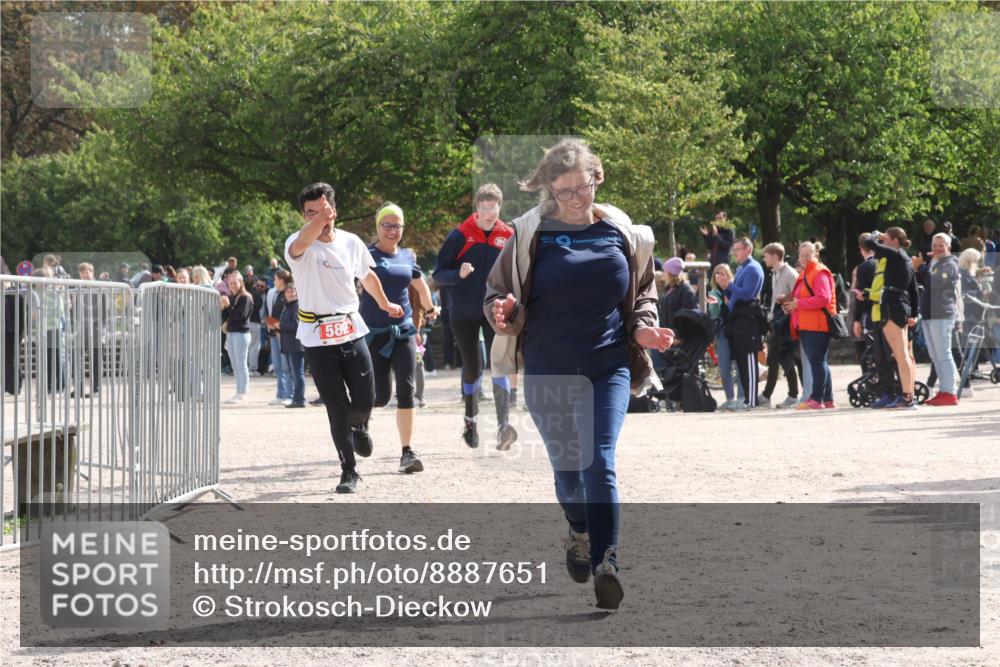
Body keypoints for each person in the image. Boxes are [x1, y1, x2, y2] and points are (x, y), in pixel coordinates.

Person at [485, 139, 675, 610]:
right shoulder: (529, 233)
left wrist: (645, 327)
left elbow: (643, 291)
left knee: (600, 461)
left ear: (598, 177)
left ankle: (606, 561)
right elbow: (496, 293)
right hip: (548, 368)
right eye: (563, 190)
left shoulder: (622, 231)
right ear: (549, 187)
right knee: (568, 475)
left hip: (606, 363)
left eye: (582, 187)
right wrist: (501, 312)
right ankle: (579, 528)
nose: (574, 198)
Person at [284, 182, 403, 494]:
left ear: (334, 210)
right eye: (310, 213)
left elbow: (367, 275)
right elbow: (302, 241)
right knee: (336, 406)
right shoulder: (299, 244)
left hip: (350, 329)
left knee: (369, 399)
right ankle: (348, 470)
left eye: (322, 211)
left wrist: (384, 302)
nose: (316, 218)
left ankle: (360, 423)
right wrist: (317, 221)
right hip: (316, 336)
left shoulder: (351, 243)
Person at [433, 183, 517, 450]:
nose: (490, 213)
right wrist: (458, 274)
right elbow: (438, 274)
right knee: (473, 367)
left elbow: (518, 272)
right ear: (477, 208)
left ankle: (504, 427)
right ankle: (471, 419)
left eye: (494, 208)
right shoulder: (460, 235)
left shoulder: (508, 235)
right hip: (464, 312)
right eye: (484, 208)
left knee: (500, 364)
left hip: (495, 310)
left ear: (499, 207)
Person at [361, 202, 438, 475]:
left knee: (407, 391)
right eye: (387, 225)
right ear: (378, 227)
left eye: (398, 226)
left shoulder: (407, 256)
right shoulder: (366, 254)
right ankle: (359, 425)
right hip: (374, 335)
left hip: (404, 331)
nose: (393, 230)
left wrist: (429, 310)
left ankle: (407, 452)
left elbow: (419, 285)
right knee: (379, 396)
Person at [862, 228, 919, 409]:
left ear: (894, 241)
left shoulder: (895, 255)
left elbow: (869, 244)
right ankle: (909, 396)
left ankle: (908, 397)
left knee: (901, 355)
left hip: (893, 306)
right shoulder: (906, 259)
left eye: (886, 239)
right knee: (904, 355)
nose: (883, 242)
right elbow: (914, 290)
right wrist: (914, 314)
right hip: (900, 306)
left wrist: (875, 234)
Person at [784, 242, 836, 410]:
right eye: (802, 255)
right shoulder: (805, 273)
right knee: (820, 362)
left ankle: (817, 398)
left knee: (817, 362)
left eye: (808, 254)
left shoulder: (819, 272)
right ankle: (827, 399)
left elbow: (824, 298)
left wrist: (798, 304)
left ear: (816, 254)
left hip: (818, 324)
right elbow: (802, 297)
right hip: (808, 324)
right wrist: (790, 302)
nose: (805, 258)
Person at [919, 233, 963, 406]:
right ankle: (943, 390)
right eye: (935, 245)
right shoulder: (935, 263)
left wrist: (922, 267)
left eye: (941, 245)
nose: (937, 248)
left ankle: (950, 391)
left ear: (948, 247)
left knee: (944, 354)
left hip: (942, 314)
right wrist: (927, 266)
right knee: (935, 354)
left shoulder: (950, 263)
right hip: (929, 314)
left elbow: (936, 281)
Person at [722, 237, 766, 408]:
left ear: (748, 249)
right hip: (738, 319)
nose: (735, 253)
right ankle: (748, 398)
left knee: (748, 361)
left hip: (748, 319)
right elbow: (735, 294)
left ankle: (752, 400)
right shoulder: (742, 268)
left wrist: (730, 285)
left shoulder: (753, 268)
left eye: (738, 249)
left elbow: (747, 294)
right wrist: (725, 286)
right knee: (741, 362)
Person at [759, 243, 800, 408]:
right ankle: (772, 395)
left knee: (783, 358)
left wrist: (785, 298)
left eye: (766, 256)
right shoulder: (774, 273)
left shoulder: (790, 273)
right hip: (777, 321)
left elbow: (799, 294)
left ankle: (790, 395)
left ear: (775, 257)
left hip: (786, 322)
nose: (764, 259)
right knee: (776, 359)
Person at [706, 264, 744, 409]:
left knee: (740, 365)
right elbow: (714, 314)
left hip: (737, 330)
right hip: (723, 332)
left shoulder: (734, 289)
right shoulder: (714, 293)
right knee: (724, 365)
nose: (719, 276)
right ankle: (730, 398)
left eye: (723, 273)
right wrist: (716, 304)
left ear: (729, 275)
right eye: (717, 273)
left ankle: (741, 397)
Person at [220, 269, 253, 404]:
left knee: (241, 364)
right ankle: (239, 391)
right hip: (232, 333)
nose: (233, 285)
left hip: (241, 334)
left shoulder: (245, 297)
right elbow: (226, 317)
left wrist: (228, 306)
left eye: (235, 283)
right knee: (235, 365)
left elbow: (240, 317)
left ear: (241, 283)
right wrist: (223, 307)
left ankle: (243, 392)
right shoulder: (232, 297)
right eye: (230, 283)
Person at [263, 270, 293, 405]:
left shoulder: (288, 293)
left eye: (275, 279)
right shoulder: (274, 293)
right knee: (278, 366)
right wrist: (269, 322)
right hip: (274, 333)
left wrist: (277, 326)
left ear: (282, 279)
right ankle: (281, 395)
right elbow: (271, 313)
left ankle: (289, 395)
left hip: (284, 334)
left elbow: (287, 315)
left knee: (287, 366)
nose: (274, 281)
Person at [278, 282, 306, 408]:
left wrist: (280, 326)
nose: (289, 294)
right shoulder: (288, 306)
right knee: (294, 373)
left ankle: (299, 399)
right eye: (287, 292)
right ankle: (297, 398)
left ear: (297, 292)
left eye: (292, 291)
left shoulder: (297, 306)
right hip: (289, 345)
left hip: (296, 345)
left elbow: (295, 325)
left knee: (298, 373)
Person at [657, 257, 697, 329]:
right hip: (670, 334)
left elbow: (689, 318)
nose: (663, 274)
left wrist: (679, 336)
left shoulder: (686, 291)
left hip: (680, 338)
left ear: (670, 274)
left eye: (665, 271)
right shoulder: (671, 288)